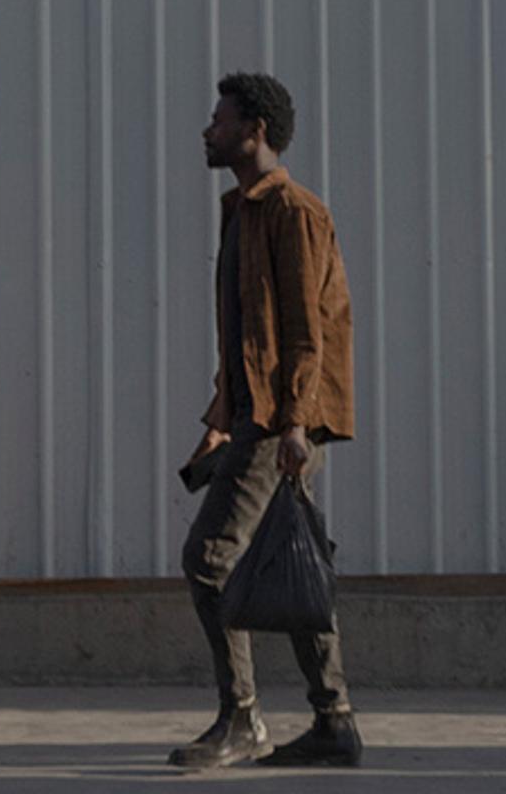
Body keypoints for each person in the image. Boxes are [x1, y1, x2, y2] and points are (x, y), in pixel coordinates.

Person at [172, 72, 362, 771]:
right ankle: (334, 721)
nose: (207, 130)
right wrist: (222, 415)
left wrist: (292, 423)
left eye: (218, 119)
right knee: (290, 558)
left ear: (254, 131)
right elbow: (248, 333)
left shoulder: (294, 211)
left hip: (282, 417)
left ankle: (242, 718)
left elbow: (307, 329)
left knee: (211, 559)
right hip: (256, 413)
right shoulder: (244, 209)